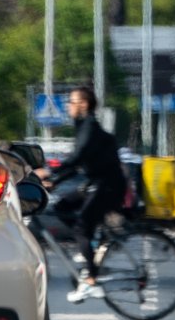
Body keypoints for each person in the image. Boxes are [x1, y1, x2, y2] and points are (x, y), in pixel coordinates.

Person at [38, 86, 126, 302]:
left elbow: (77, 157)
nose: (68, 106)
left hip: (108, 186)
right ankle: (88, 248)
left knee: (81, 227)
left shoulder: (89, 127)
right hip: (96, 183)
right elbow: (79, 166)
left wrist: (50, 172)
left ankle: (91, 281)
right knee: (61, 207)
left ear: (84, 105)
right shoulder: (83, 127)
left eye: (72, 102)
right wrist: (55, 182)